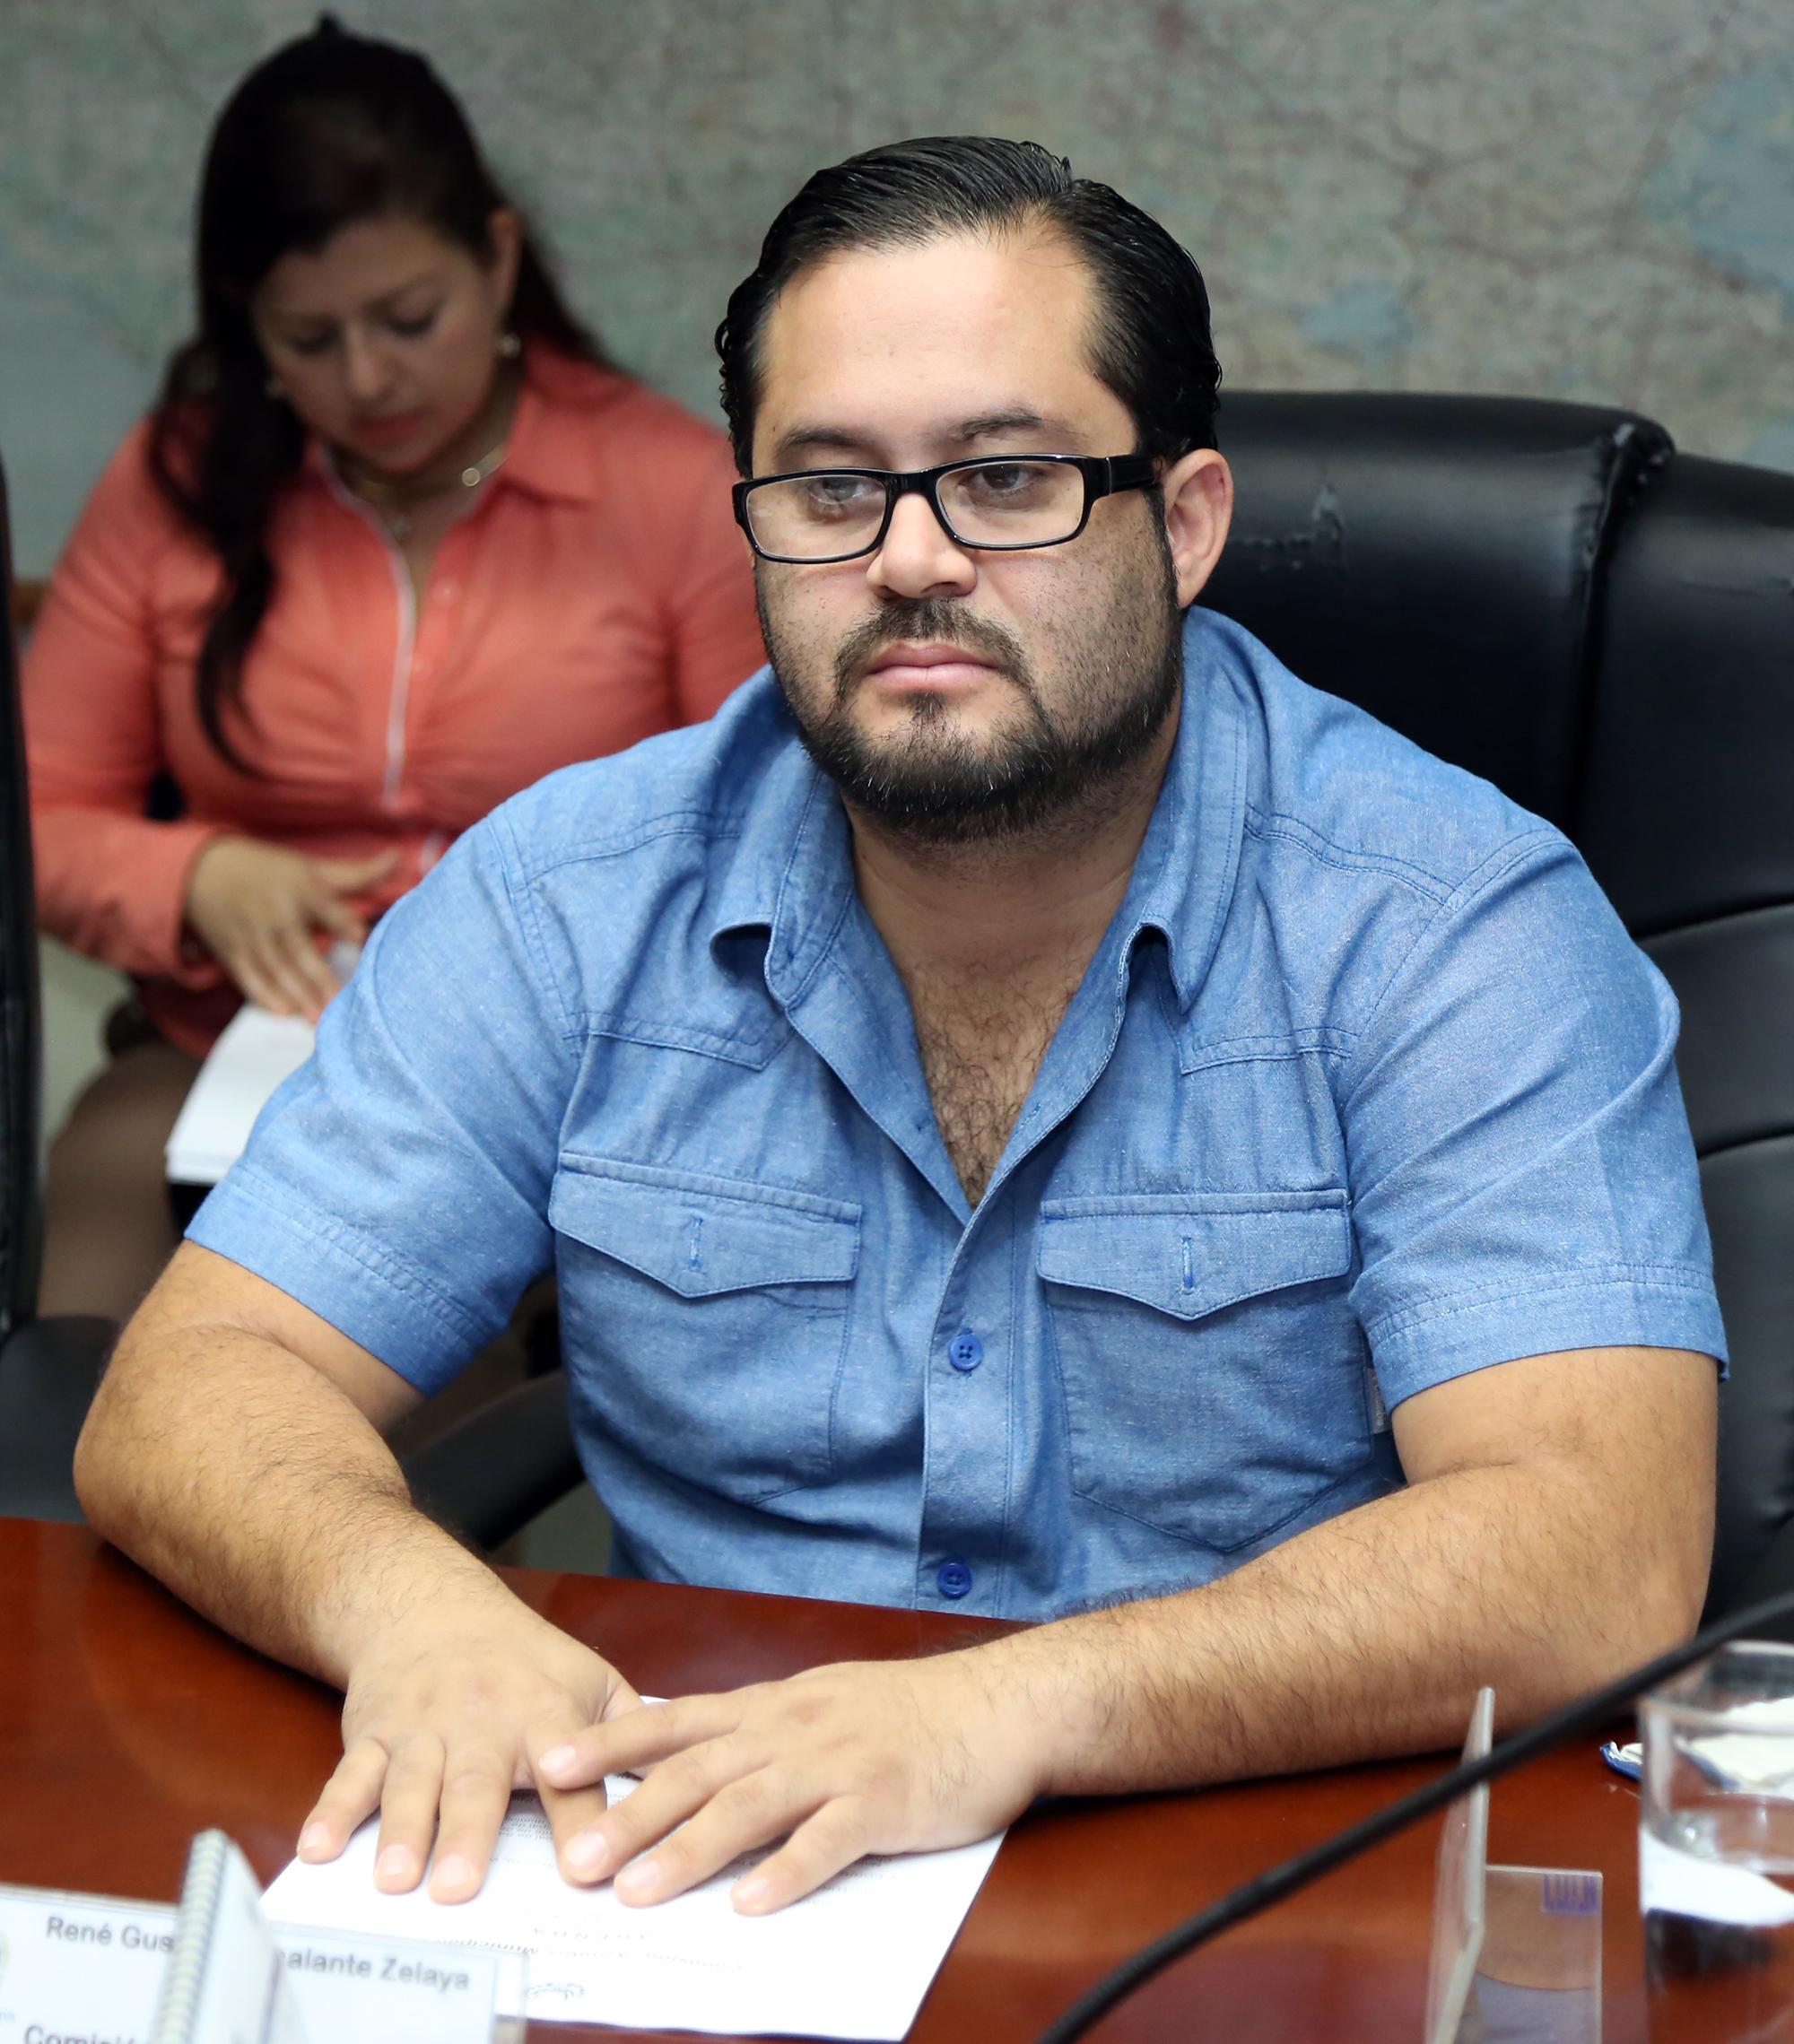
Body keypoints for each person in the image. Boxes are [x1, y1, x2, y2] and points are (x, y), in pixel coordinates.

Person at [76, 137, 1722, 1919]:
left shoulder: (1442, 921)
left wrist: (1011, 1708)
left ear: (1181, 527)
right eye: (828, 487)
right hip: (699, 1883)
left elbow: (1594, 1555)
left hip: (1261, 1887)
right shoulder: (572, 890)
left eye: (1006, 478)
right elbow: (188, 1394)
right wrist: (409, 1609)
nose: (911, 559)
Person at [24, 21, 762, 1319]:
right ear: (245, 326)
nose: (368, 379)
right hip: (227, 1054)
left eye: (408, 318)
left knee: (362, 1393)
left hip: (557, 1081)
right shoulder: (178, 481)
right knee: (81, 1363)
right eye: (308, 339)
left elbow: (769, 842)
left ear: (497, 258)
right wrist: (196, 875)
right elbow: (36, 810)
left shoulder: (665, 486)